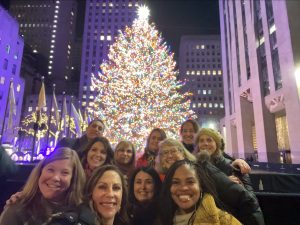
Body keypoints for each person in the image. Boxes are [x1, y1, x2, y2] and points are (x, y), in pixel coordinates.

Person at [0, 147, 86, 224]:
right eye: (50, 170)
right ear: (40, 172)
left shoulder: (82, 212)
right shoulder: (18, 209)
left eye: (65, 173)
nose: (56, 178)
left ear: (73, 178)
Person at [159, 159, 241, 225]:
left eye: (190, 182)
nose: (183, 188)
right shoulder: (161, 219)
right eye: (176, 182)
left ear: (200, 186)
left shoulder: (225, 220)